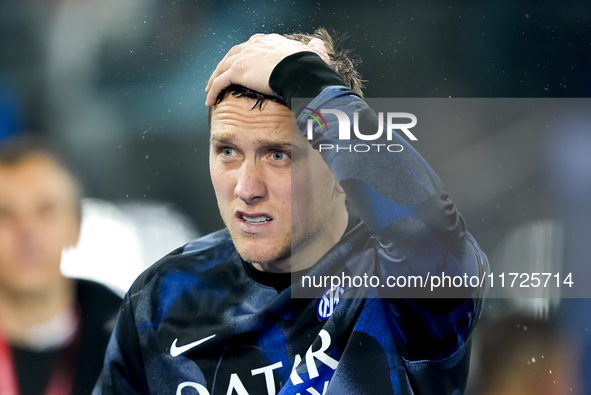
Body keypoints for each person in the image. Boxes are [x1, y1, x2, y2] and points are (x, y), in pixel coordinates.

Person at [93, 29, 488, 394]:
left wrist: (301, 77)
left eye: (278, 155)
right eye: (227, 151)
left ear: (341, 169)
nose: (246, 189)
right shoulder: (161, 297)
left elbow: (430, 231)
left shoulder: (394, 283)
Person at [0, 137, 122, 395]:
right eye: (5, 213)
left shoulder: (130, 343)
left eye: (45, 211)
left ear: (76, 226)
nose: (27, 232)